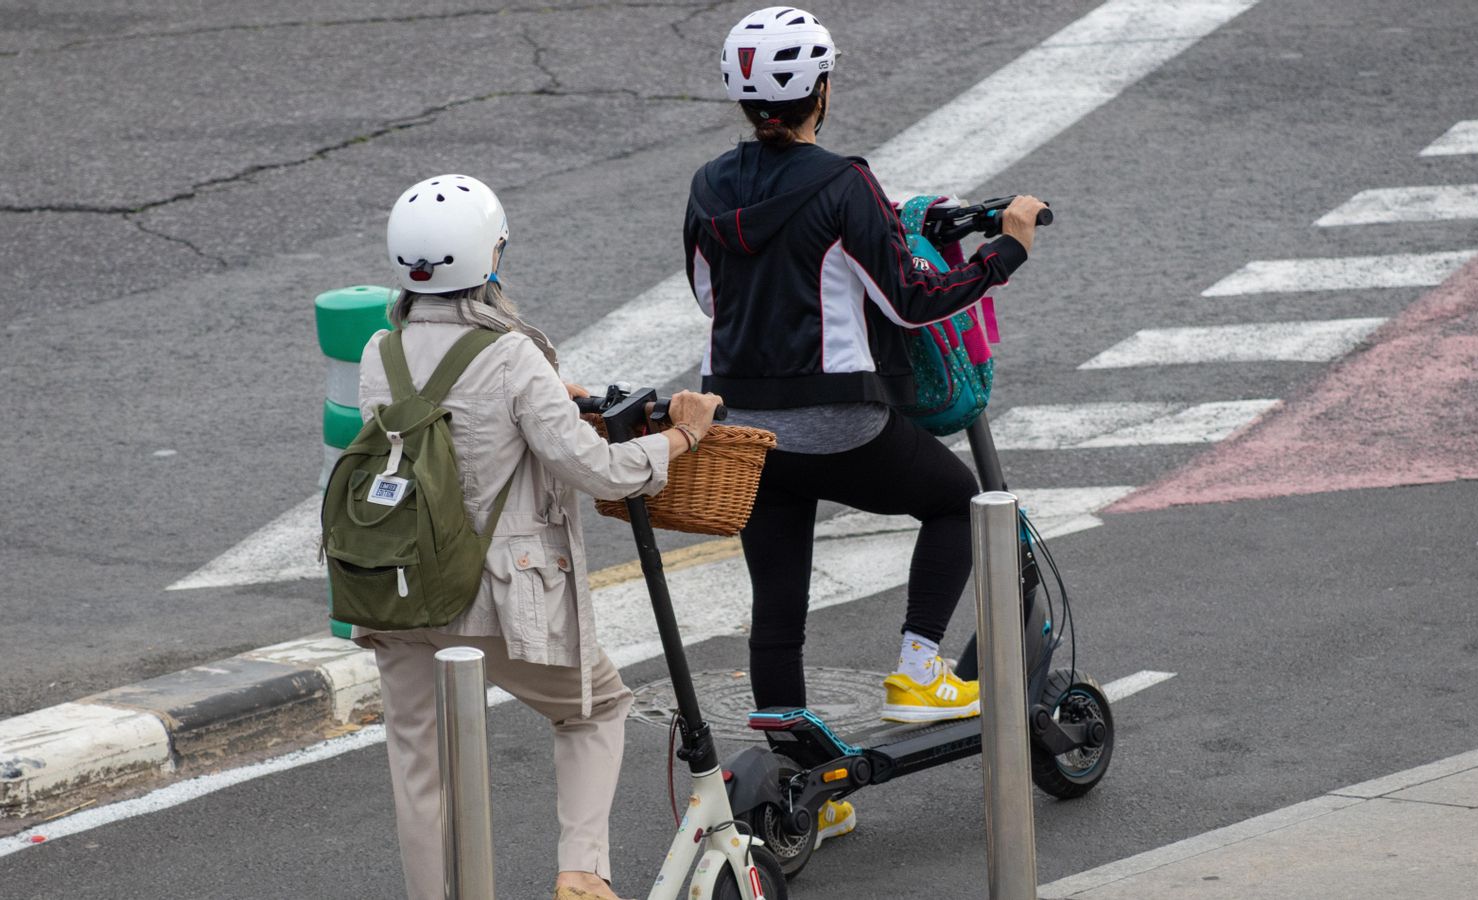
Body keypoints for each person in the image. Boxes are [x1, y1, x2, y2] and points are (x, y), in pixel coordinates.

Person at [683, 7, 1046, 845]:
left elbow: (707, 296)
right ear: (821, 91)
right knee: (959, 503)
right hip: (840, 424)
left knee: (778, 606)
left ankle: (801, 786)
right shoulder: (844, 184)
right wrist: (1006, 252)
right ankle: (920, 670)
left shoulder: (707, 186)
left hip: (747, 433)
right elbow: (911, 301)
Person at [354, 173, 722, 900]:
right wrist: (683, 436)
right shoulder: (512, 354)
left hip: (395, 589)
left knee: (420, 763)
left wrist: (553, 395)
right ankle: (581, 871)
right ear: (489, 258)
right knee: (595, 709)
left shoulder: (379, 350)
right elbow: (596, 469)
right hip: (491, 597)